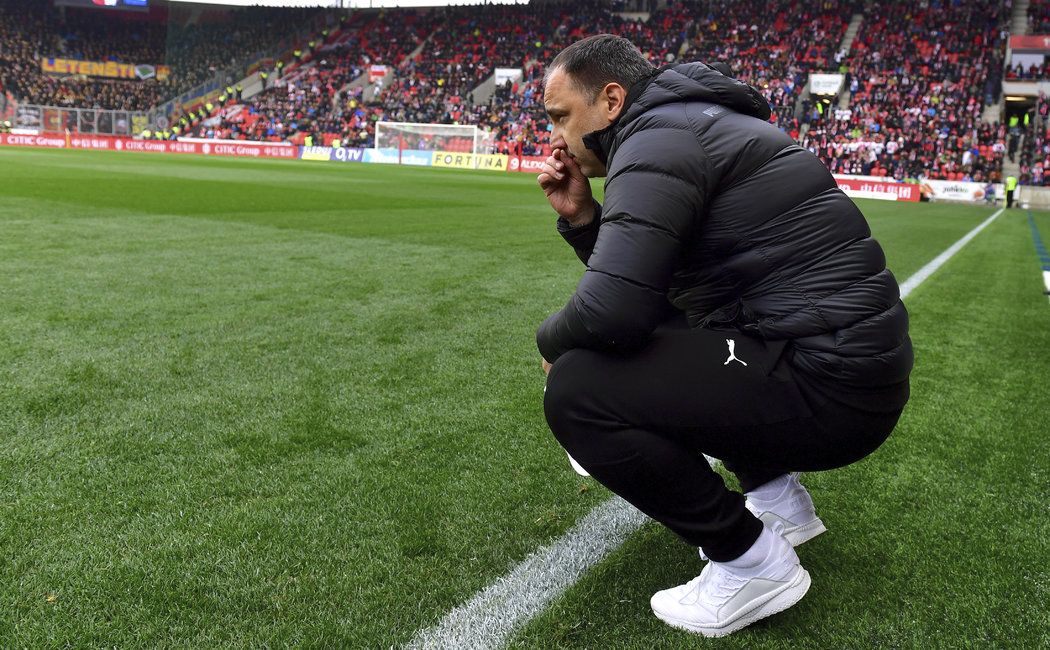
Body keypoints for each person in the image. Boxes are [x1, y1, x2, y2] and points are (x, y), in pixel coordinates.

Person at [535, 35, 911, 638]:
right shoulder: (690, 122)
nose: (555, 138)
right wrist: (583, 220)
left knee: (578, 385)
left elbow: (615, 313)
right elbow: (660, 302)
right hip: (851, 370)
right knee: (699, 332)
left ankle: (750, 562)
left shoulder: (656, 138)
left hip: (831, 383)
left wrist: (551, 346)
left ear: (611, 100)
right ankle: (778, 501)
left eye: (560, 117)